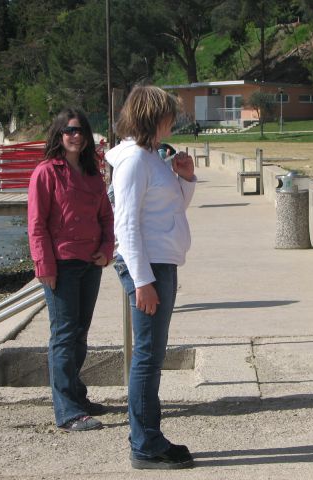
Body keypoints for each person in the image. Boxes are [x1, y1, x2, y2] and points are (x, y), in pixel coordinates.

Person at [106, 85, 196, 470]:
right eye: (168, 114)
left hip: (160, 262)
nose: (173, 120)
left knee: (152, 354)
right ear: (152, 117)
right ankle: (145, 443)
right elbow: (125, 225)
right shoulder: (134, 161)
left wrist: (186, 178)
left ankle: (148, 438)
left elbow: (172, 208)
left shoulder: (150, 157)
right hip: (149, 266)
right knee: (147, 356)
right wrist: (142, 281)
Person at [27, 108, 114, 432]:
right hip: (61, 265)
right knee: (63, 336)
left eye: (80, 131)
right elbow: (36, 225)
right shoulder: (46, 172)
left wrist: (106, 251)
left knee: (79, 334)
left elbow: (107, 216)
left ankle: (77, 396)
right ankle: (67, 411)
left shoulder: (93, 173)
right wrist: (44, 266)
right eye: (69, 131)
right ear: (59, 135)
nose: (75, 136)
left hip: (91, 264)